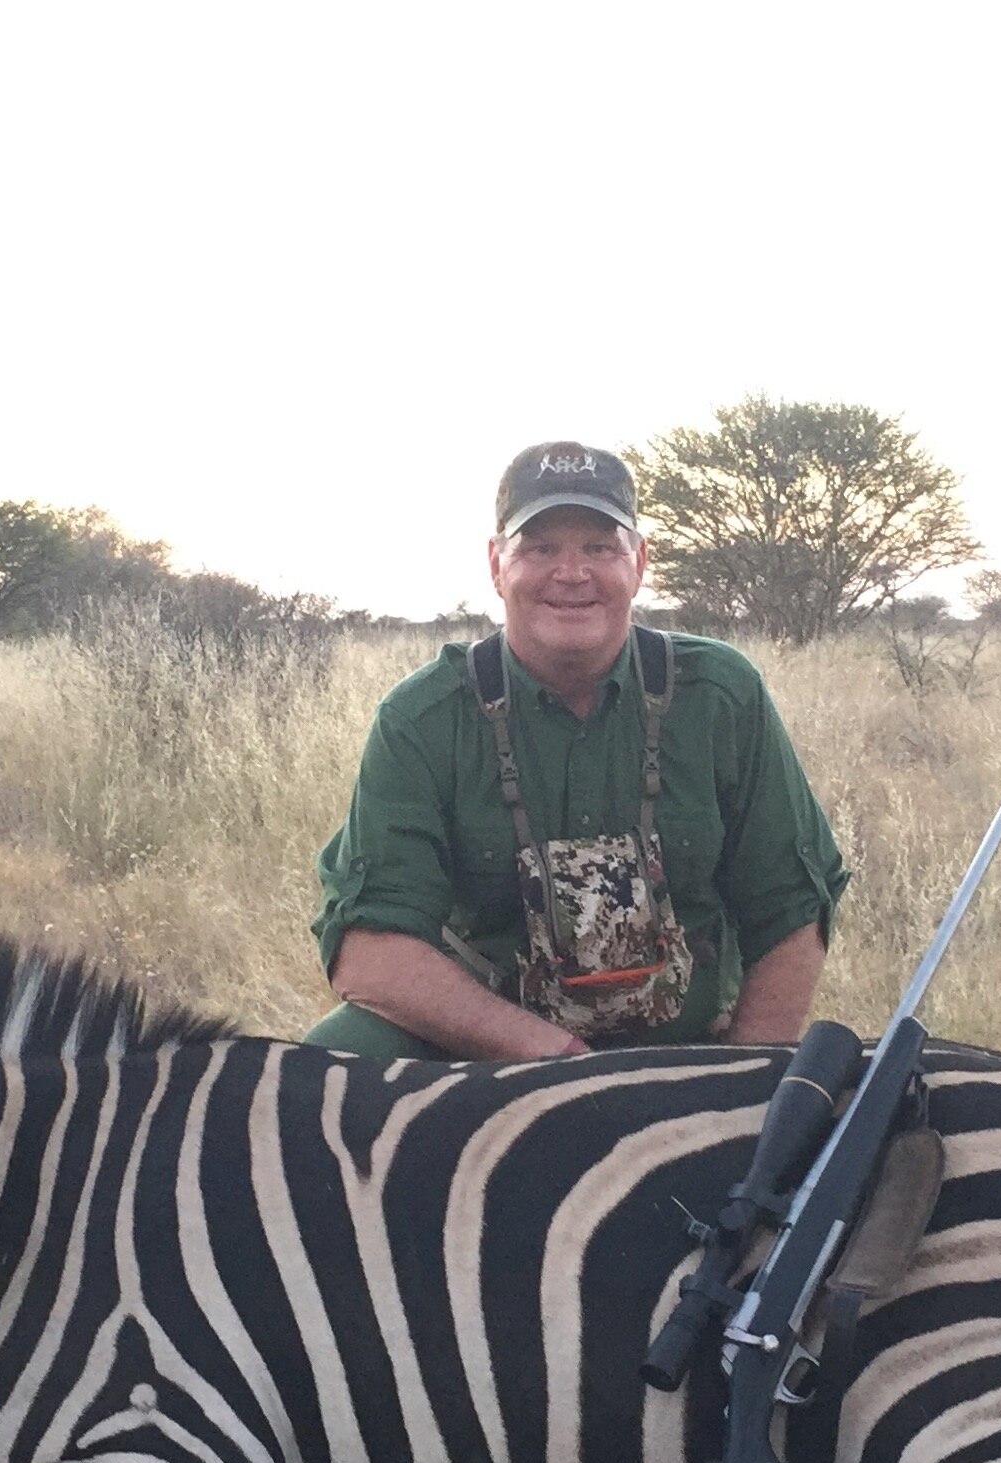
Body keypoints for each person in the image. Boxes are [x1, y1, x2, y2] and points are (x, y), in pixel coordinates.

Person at [307, 442, 848, 1060]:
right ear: (495, 563)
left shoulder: (722, 695)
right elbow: (370, 954)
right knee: (333, 1058)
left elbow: (794, 909)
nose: (571, 573)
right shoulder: (421, 719)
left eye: (599, 547)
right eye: (539, 547)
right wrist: (559, 1061)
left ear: (638, 562)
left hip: (693, 1046)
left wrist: (748, 1078)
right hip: (493, 1054)